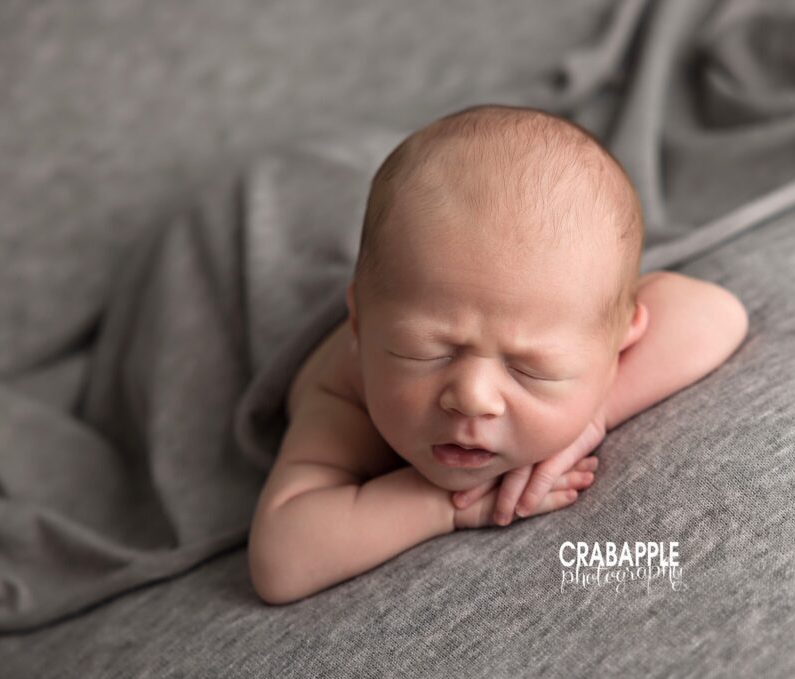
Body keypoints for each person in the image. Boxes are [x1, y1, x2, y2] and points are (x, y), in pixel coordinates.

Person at [248, 104, 748, 604]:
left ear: (620, 340)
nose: (473, 398)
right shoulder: (346, 395)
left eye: (532, 368)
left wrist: (596, 410)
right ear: (358, 325)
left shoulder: (552, 300)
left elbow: (718, 313)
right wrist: (446, 506)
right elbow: (281, 560)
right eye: (427, 352)